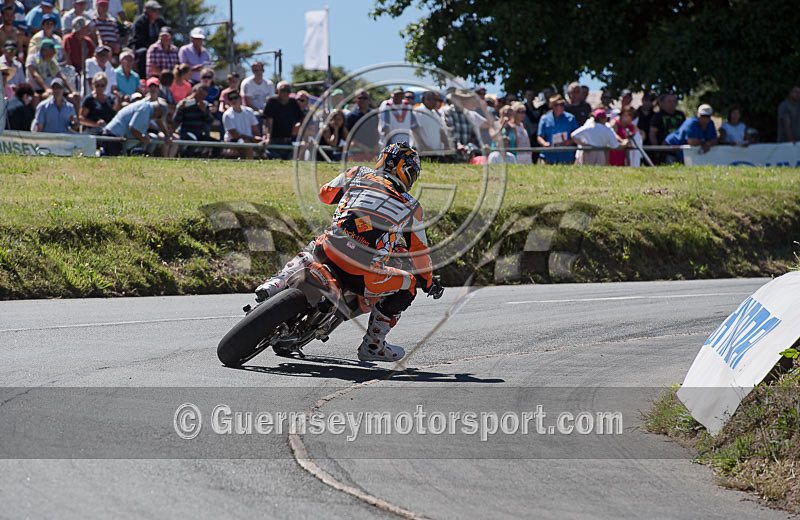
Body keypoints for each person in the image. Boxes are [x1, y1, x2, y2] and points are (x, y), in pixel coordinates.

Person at [255, 142, 443, 362]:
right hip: (362, 274)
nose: (411, 179)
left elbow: (325, 195)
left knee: (318, 243)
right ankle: (374, 345)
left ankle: (274, 284)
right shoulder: (412, 206)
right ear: (395, 165)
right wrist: (428, 282)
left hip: (329, 251)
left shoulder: (357, 172)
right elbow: (419, 252)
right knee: (409, 285)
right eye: (410, 172)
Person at [101, 98, 168, 155]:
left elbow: (159, 121)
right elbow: (133, 128)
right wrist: (143, 139)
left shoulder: (148, 108)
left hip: (117, 138)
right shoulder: (145, 109)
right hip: (114, 138)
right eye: (159, 116)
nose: (157, 117)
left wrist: (167, 135)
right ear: (158, 111)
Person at [262, 80, 303, 159]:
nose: (285, 93)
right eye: (282, 90)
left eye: (287, 90)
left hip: (288, 140)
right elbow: (268, 122)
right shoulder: (272, 102)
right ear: (277, 91)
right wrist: (268, 138)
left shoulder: (293, 103)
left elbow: (301, 118)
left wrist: (298, 126)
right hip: (274, 141)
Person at [536, 94, 578, 164]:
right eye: (556, 105)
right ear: (551, 106)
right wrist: (544, 143)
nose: (559, 107)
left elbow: (576, 135)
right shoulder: (544, 119)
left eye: (562, 105)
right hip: (549, 156)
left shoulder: (571, 118)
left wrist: (570, 141)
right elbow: (539, 136)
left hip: (566, 156)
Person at [649, 92, 686, 164]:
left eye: (674, 101)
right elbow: (652, 134)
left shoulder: (680, 115)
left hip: (680, 150)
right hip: (666, 151)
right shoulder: (658, 116)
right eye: (669, 101)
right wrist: (657, 150)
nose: (672, 103)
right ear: (663, 103)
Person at [221, 89, 259, 159]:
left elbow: (255, 130)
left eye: (235, 98)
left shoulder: (249, 111)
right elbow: (235, 135)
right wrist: (251, 139)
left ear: (240, 98)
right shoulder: (227, 115)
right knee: (246, 145)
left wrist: (258, 139)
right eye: (231, 99)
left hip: (249, 139)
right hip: (233, 140)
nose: (233, 100)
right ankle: (251, 164)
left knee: (263, 143)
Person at [129, 0, 163, 77]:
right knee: (143, 52)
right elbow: (138, 41)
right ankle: (143, 77)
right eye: (154, 10)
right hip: (142, 47)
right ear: (147, 11)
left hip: (158, 48)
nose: (157, 12)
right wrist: (152, 48)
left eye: (158, 10)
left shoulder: (160, 22)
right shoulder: (140, 22)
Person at [411, 90, 448, 155]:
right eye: (435, 99)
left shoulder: (434, 113)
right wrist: (424, 147)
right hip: (421, 153)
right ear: (427, 100)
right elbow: (415, 132)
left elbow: (441, 131)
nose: (436, 102)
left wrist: (447, 145)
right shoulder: (417, 111)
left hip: (435, 153)